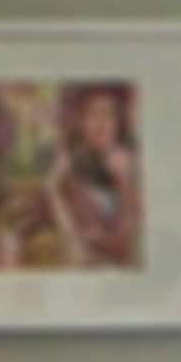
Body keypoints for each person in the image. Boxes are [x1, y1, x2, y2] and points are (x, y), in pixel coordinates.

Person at [47, 83, 140, 268]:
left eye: (109, 114)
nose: (101, 123)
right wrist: (53, 188)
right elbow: (75, 244)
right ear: (81, 122)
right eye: (92, 115)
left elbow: (127, 243)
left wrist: (124, 182)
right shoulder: (71, 171)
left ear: (119, 122)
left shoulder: (132, 167)